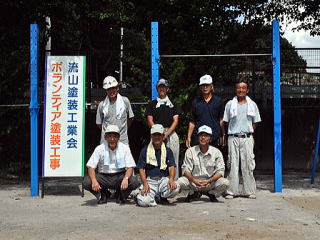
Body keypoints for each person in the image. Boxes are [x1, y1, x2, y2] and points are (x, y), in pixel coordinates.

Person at [223, 79, 261, 199]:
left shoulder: (252, 105)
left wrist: (247, 131)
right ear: (236, 90)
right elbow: (225, 121)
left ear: (247, 90)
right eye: (239, 88)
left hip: (247, 138)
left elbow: (255, 123)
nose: (241, 90)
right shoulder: (230, 104)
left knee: (248, 164)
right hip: (233, 137)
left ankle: (249, 191)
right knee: (232, 164)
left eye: (243, 88)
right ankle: (231, 191)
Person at [83, 125, 139, 204]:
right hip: (103, 176)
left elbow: (130, 167)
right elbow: (91, 167)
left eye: (115, 136)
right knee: (87, 182)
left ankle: (121, 195)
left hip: (119, 176)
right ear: (105, 137)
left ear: (119, 138)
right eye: (109, 136)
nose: (112, 139)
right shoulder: (99, 148)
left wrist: (126, 178)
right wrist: (94, 180)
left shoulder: (125, 148)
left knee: (134, 181)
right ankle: (103, 194)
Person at [178, 125, 229, 202]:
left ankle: (211, 193)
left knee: (225, 182)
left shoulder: (216, 152)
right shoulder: (190, 151)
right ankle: (192, 193)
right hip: (193, 182)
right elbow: (185, 170)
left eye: (206, 135)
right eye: (201, 135)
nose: (203, 137)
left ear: (210, 139)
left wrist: (209, 181)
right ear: (198, 138)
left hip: (210, 183)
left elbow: (221, 171)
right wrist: (195, 181)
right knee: (180, 181)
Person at [136, 124, 180, 207]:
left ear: (163, 135)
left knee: (176, 187)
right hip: (150, 181)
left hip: (163, 180)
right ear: (151, 136)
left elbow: (171, 167)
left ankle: (162, 197)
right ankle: (147, 196)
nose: (157, 137)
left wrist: (171, 179)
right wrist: (145, 183)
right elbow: (141, 168)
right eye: (154, 135)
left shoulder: (168, 151)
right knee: (143, 202)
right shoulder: (145, 150)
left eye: (159, 134)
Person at [145, 78, 180, 179]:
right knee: (154, 157)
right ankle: (155, 179)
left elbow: (176, 120)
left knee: (172, 156)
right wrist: (158, 132)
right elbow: (150, 119)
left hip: (171, 133)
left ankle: (174, 181)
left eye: (164, 87)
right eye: (160, 87)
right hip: (156, 133)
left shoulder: (174, 104)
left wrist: (166, 133)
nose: (162, 89)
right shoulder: (151, 104)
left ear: (167, 89)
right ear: (157, 89)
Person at [186, 74, 225, 149]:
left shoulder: (218, 101)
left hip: (214, 139)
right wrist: (188, 137)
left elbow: (221, 120)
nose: (205, 87)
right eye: (203, 85)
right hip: (199, 139)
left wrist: (223, 134)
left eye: (207, 85)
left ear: (212, 86)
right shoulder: (196, 102)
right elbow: (192, 121)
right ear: (200, 87)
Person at [96, 76, 134, 144]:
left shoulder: (125, 101)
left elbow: (130, 118)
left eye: (113, 88)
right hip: (106, 141)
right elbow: (99, 123)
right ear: (106, 90)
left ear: (117, 88)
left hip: (122, 140)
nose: (111, 91)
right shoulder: (102, 105)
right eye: (109, 89)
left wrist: (123, 129)